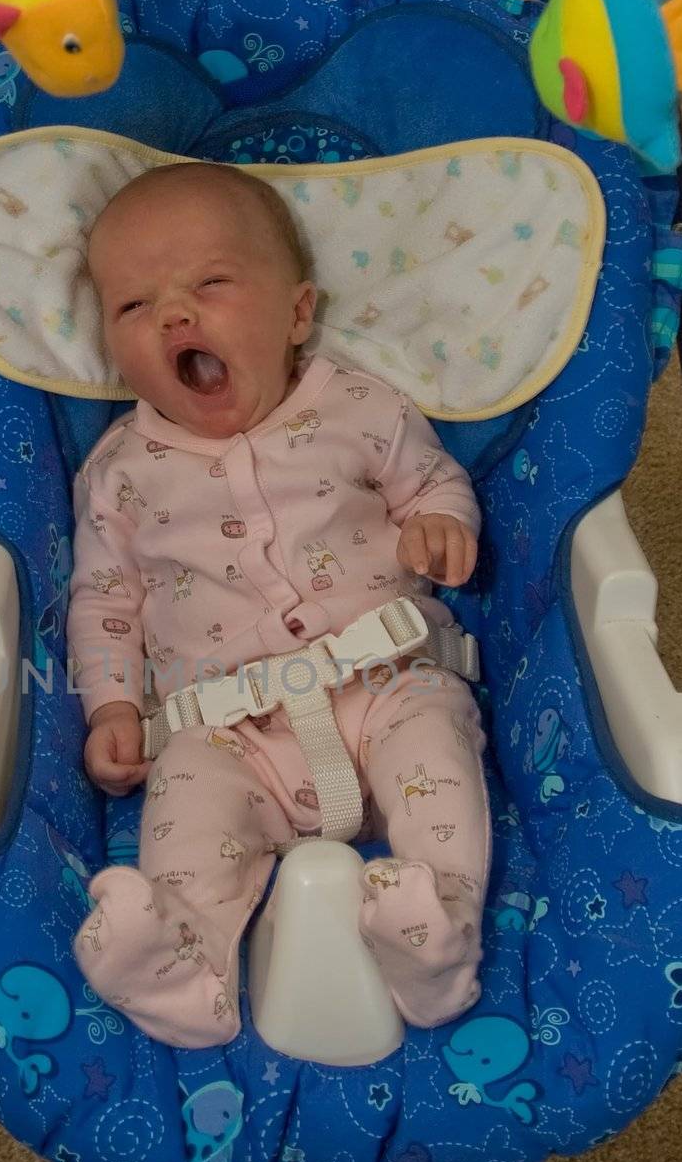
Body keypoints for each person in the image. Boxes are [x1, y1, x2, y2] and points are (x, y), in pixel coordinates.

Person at [67, 162, 490, 1048]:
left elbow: (430, 482)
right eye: (134, 308)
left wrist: (440, 525)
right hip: (232, 733)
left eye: (210, 284)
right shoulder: (119, 472)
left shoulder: (357, 405)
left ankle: (435, 932)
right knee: (188, 801)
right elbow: (105, 596)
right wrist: (111, 702)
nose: (175, 315)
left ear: (297, 313)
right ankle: (185, 964)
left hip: (386, 684)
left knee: (438, 760)